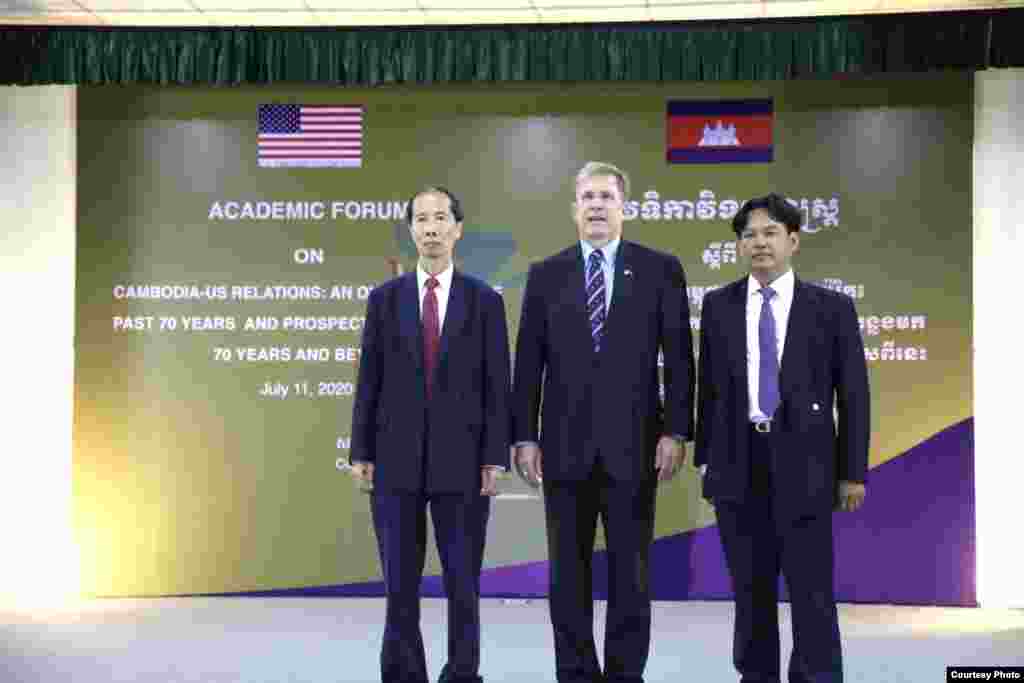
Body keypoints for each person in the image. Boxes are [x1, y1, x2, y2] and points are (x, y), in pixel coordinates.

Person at [512, 161, 695, 683]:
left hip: (635, 448)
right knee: (567, 575)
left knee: (631, 574)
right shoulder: (547, 274)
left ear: (624, 207)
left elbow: (679, 357)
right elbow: (529, 362)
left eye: (607, 197)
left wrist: (675, 430)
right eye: (587, 196)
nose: (596, 205)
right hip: (563, 450)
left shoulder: (661, 269)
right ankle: (574, 672)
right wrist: (525, 435)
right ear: (574, 209)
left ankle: (623, 674)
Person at [695, 193, 870, 683]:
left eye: (769, 232)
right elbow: (709, 389)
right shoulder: (719, 305)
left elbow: (853, 394)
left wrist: (852, 471)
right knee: (751, 595)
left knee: (811, 593)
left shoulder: (831, 308)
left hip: (806, 464)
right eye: (748, 235)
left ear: (793, 241)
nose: (758, 243)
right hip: (737, 463)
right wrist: (707, 461)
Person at [350, 186, 511, 683]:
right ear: (411, 229)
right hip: (395, 463)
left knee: (463, 583)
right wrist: (362, 450)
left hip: (462, 465)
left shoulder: (485, 300)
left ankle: (463, 673)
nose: (432, 228)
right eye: (422, 219)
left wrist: (493, 457)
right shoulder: (384, 299)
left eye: (441, 218)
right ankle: (403, 674)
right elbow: (369, 380)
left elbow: (495, 385)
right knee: (400, 585)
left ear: (458, 229)